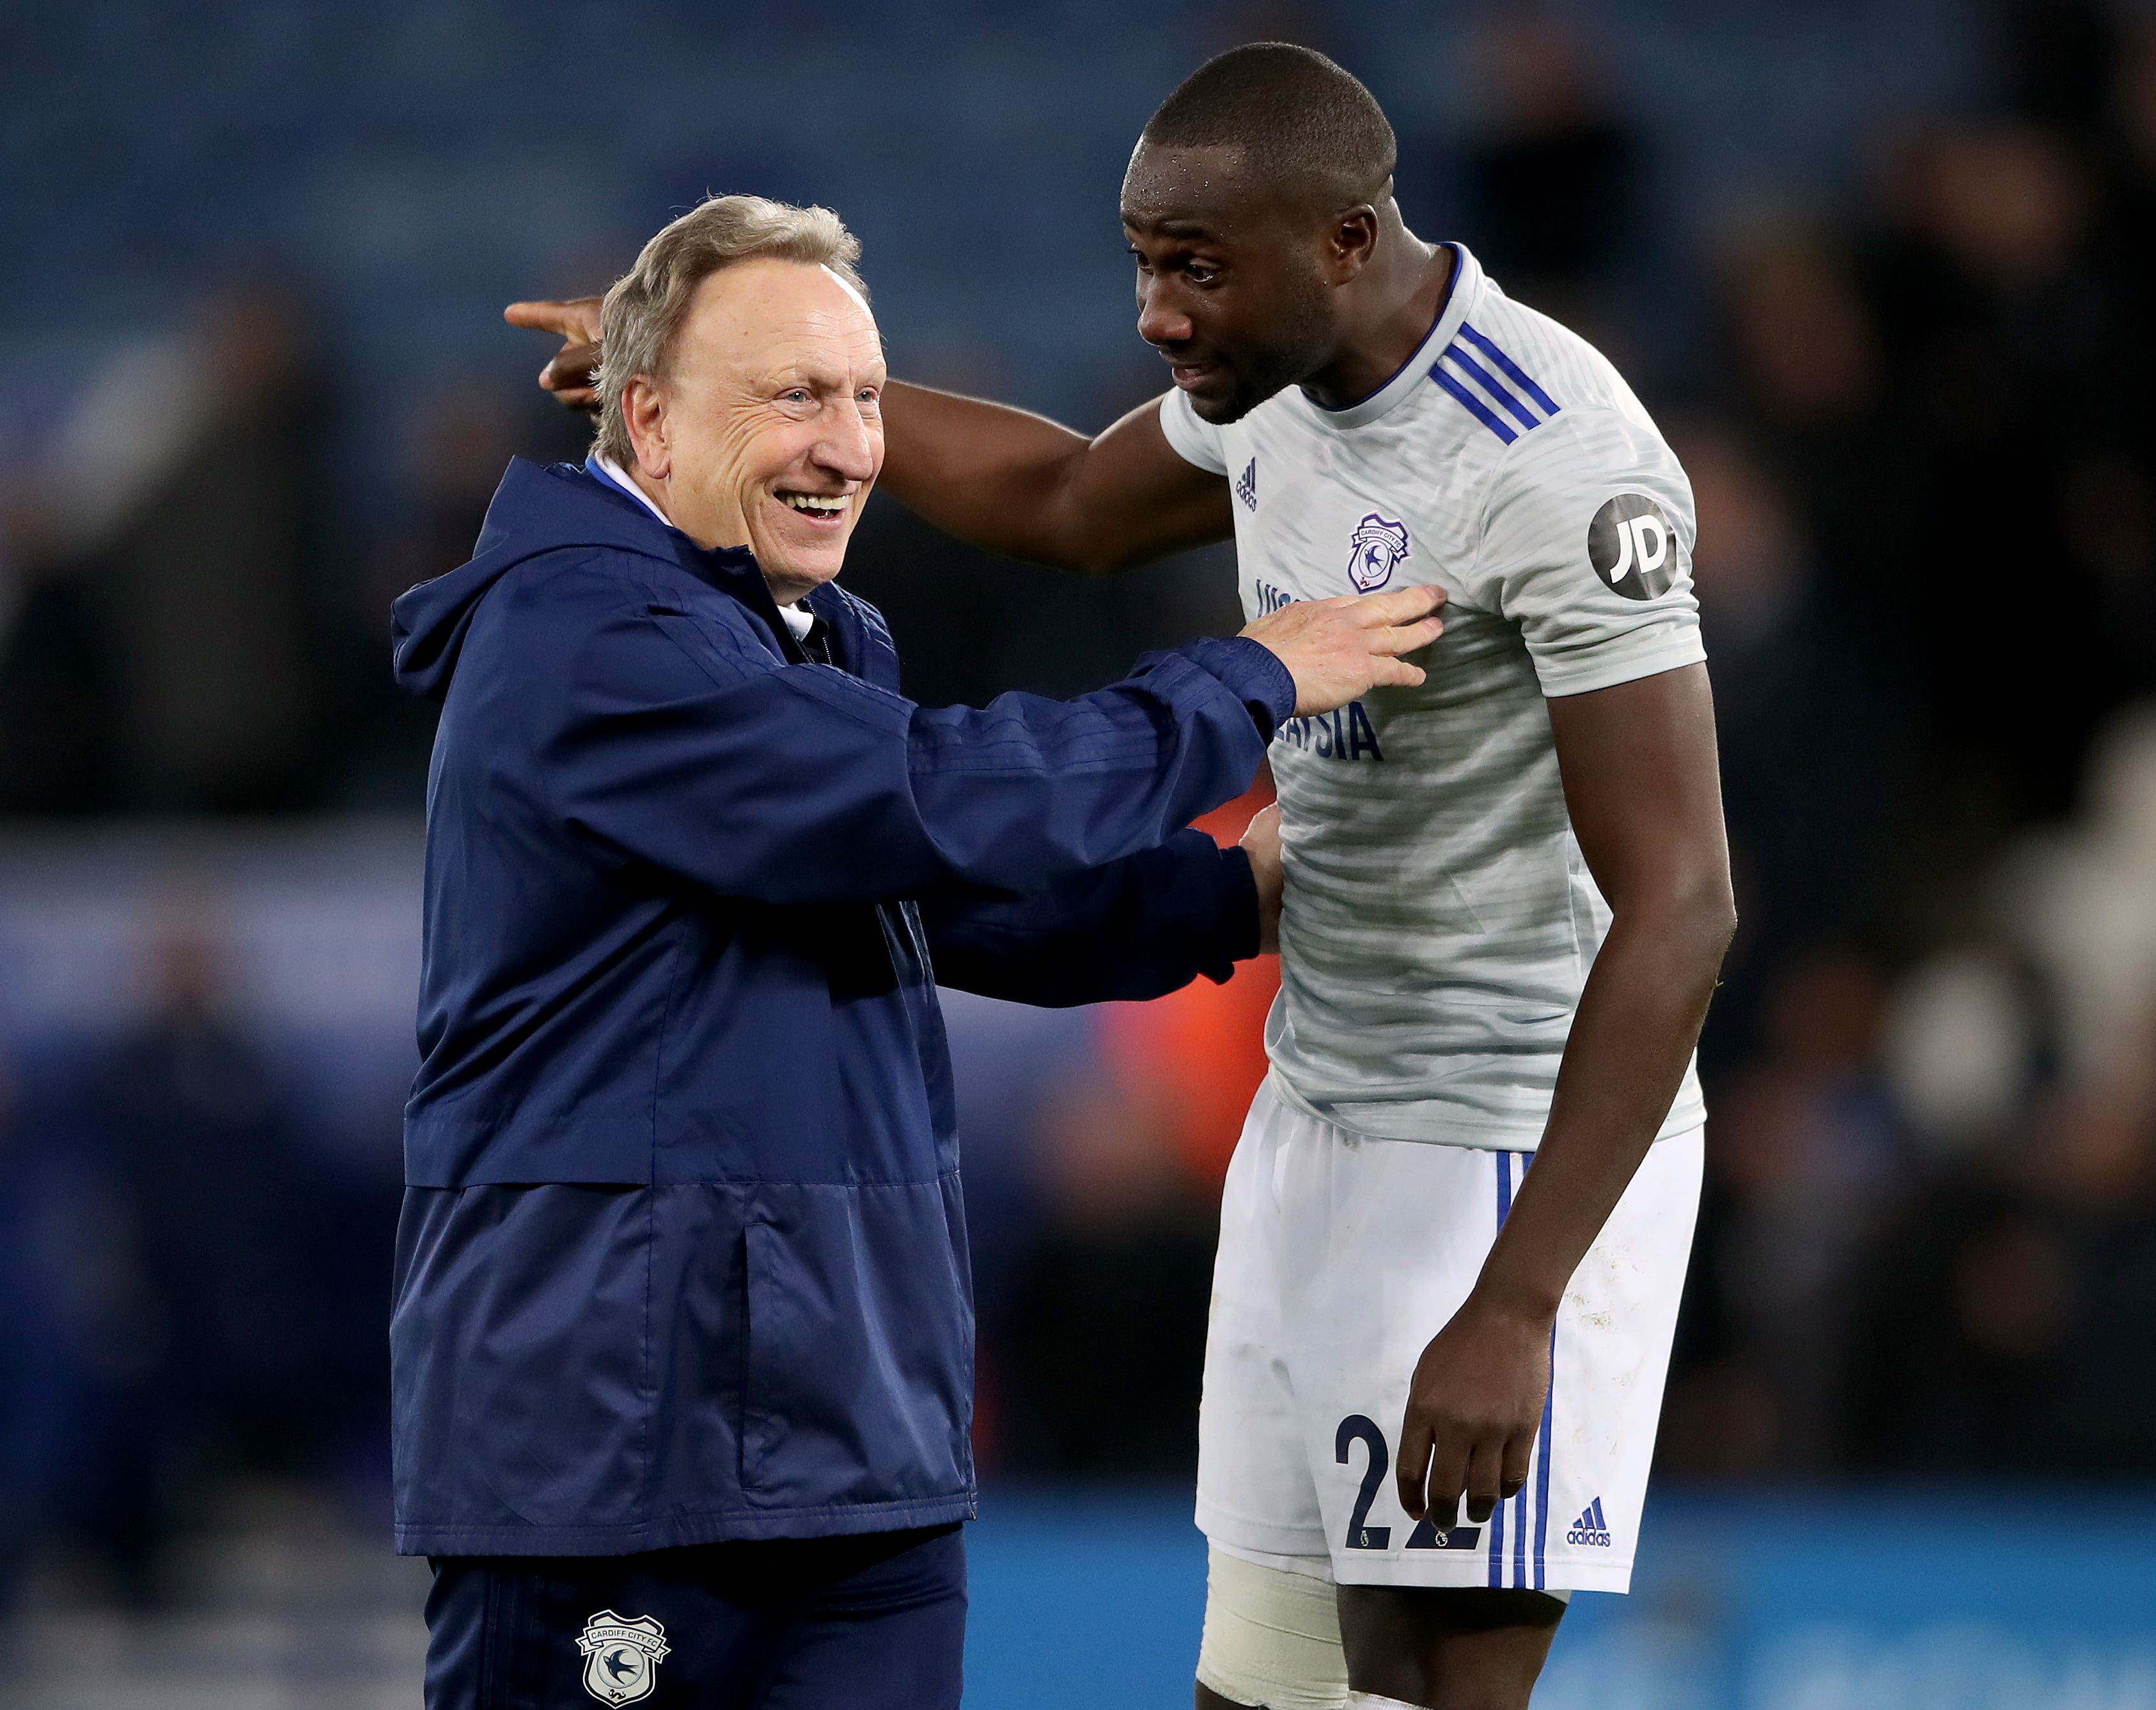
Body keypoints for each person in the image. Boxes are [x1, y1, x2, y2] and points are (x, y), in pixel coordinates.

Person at [512, 44, 1731, 1710]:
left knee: (1419, 1687)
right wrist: (739, 391)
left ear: (1345, 244)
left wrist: (1520, 1299)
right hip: (1316, 1114)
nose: (1159, 312)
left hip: (1497, 1148)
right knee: (1254, 1693)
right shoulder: (1277, 390)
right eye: (1147, 262)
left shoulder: (1554, 457)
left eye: (1197, 268)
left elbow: (1681, 905)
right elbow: (1068, 499)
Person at [399, 192, 1444, 1710]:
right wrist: (1245, 679)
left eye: (865, 398)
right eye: (789, 397)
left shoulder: (811, 634)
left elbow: (950, 896)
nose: (846, 446)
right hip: (613, 1461)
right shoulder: (579, 635)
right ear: (645, 421)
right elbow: (931, 795)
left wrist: (1225, 896)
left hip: (852, 1451)